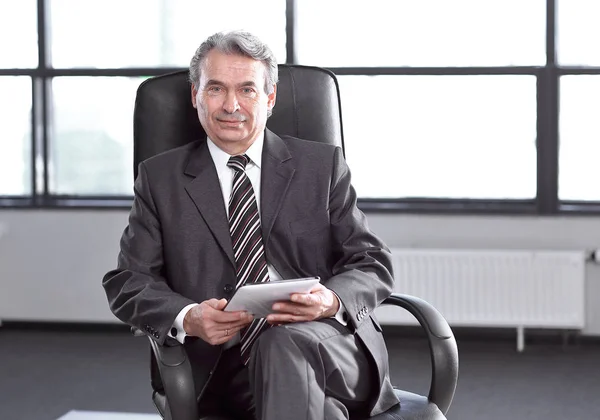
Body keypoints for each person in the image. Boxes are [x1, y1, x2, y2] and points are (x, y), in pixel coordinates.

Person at [102, 30, 399, 420]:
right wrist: (189, 316)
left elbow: (372, 262)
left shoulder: (320, 166)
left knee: (282, 344)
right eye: (215, 89)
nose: (231, 105)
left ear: (270, 98)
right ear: (195, 96)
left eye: (247, 90)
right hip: (225, 367)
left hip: (330, 347)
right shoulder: (161, 179)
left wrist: (330, 300)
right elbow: (128, 281)